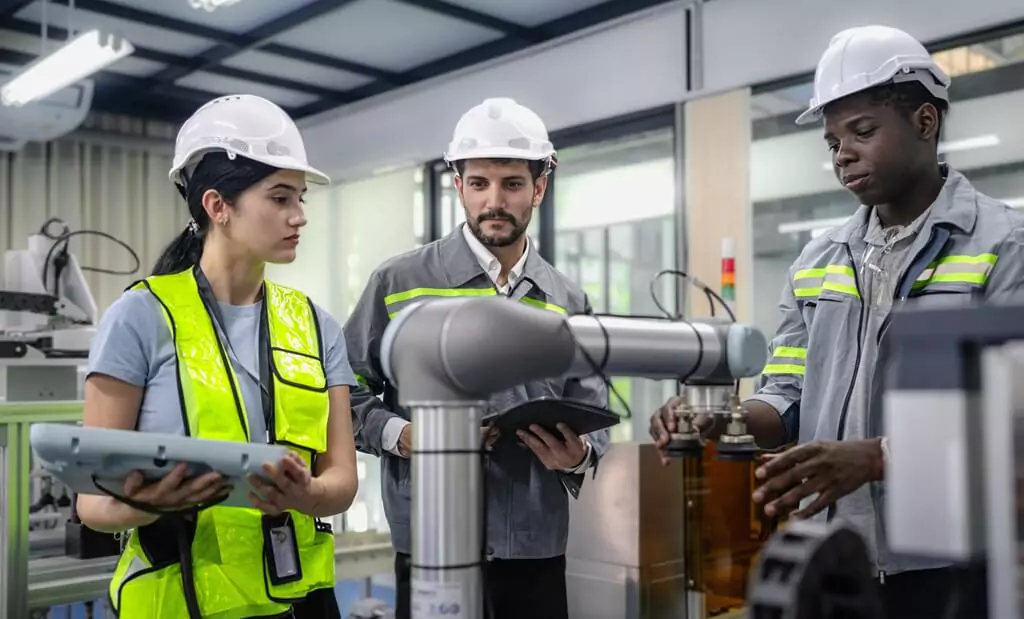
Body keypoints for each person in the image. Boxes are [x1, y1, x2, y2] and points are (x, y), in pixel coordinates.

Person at [651, 25, 1024, 617]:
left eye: (863, 131)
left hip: (949, 564)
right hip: (829, 558)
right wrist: (722, 419)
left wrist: (878, 457)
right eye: (832, 142)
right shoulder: (818, 259)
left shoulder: (1006, 245)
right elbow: (786, 397)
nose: (843, 153)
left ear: (925, 123)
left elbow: (1013, 422)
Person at [78, 94, 359, 619]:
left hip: (299, 603)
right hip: (179, 602)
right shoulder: (141, 316)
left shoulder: (317, 325)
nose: (299, 216)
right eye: (280, 198)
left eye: (301, 198)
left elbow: (340, 481)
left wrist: (306, 494)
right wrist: (148, 502)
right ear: (217, 206)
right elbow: (92, 504)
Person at [344, 97, 610, 619]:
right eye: (479, 183)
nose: (494, 201)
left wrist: (578, 455)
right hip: (431, 541)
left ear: (539, 187)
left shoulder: (568, 299)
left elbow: (592, 412)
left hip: (532, 545)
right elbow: (343, 392)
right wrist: (405, 436)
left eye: (512, 184)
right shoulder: (397, 283)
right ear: (458, 186)